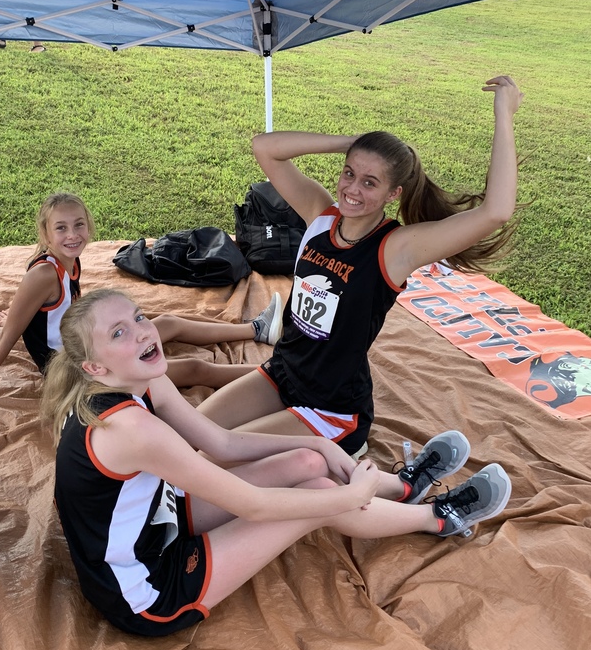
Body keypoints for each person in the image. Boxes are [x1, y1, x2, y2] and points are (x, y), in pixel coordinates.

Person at [46, 288, 512, 637]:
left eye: (139, 316)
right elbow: (254, 506)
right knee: (320, 498)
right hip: (147, 591)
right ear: (95, 368)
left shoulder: (138, 379)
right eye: (119, 333)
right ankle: (438, 518)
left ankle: (402, 487)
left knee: (308, 462)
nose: (146, 331)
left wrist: (326, 447)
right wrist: (348, 496)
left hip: (157, 519)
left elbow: (223, 444)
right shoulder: (130, 429)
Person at [197, 74, 524, 458]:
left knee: (213, 458)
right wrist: (350, 145)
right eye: (349, 173)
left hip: (330, 407)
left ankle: (361, 461)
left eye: (370, 183)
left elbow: (496, 211)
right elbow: (265, 148)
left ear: (393, 193)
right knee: (193, 433)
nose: (352, 189)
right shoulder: (321, 214)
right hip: (283, 372)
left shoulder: (395, 247)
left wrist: (504, 113)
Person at [0, 192, 283, 409]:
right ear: (45, 235)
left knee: (168, 322)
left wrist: (23, 318)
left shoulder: (67, 260)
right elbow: (6, 338)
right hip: (74, 368)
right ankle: (275, 373)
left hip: (82, 345)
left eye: (79, 224)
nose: (72, 234)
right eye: (61, 228)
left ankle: (257, 329)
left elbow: (54, 314)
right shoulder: (43, 274)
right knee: (194, 368)